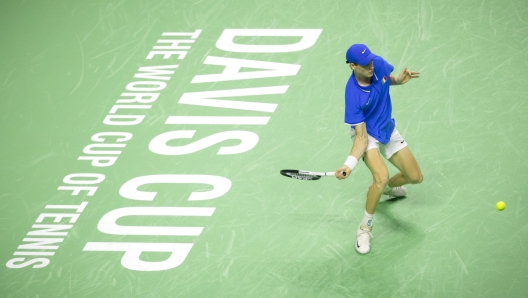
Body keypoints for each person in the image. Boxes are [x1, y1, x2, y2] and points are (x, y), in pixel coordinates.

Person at [335, 44, 423, 254]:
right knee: (380, 175)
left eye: (371, 61)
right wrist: (349, 164)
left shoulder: (379, 65)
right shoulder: (353, 94)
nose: (371, 67)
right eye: (365, 65)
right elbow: (361, 138)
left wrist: (399, 81)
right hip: (367, 135)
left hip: (386, 126)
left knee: (415, 177)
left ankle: (382, 189)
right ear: (353, 66)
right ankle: (364, 228)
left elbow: (385, 81)